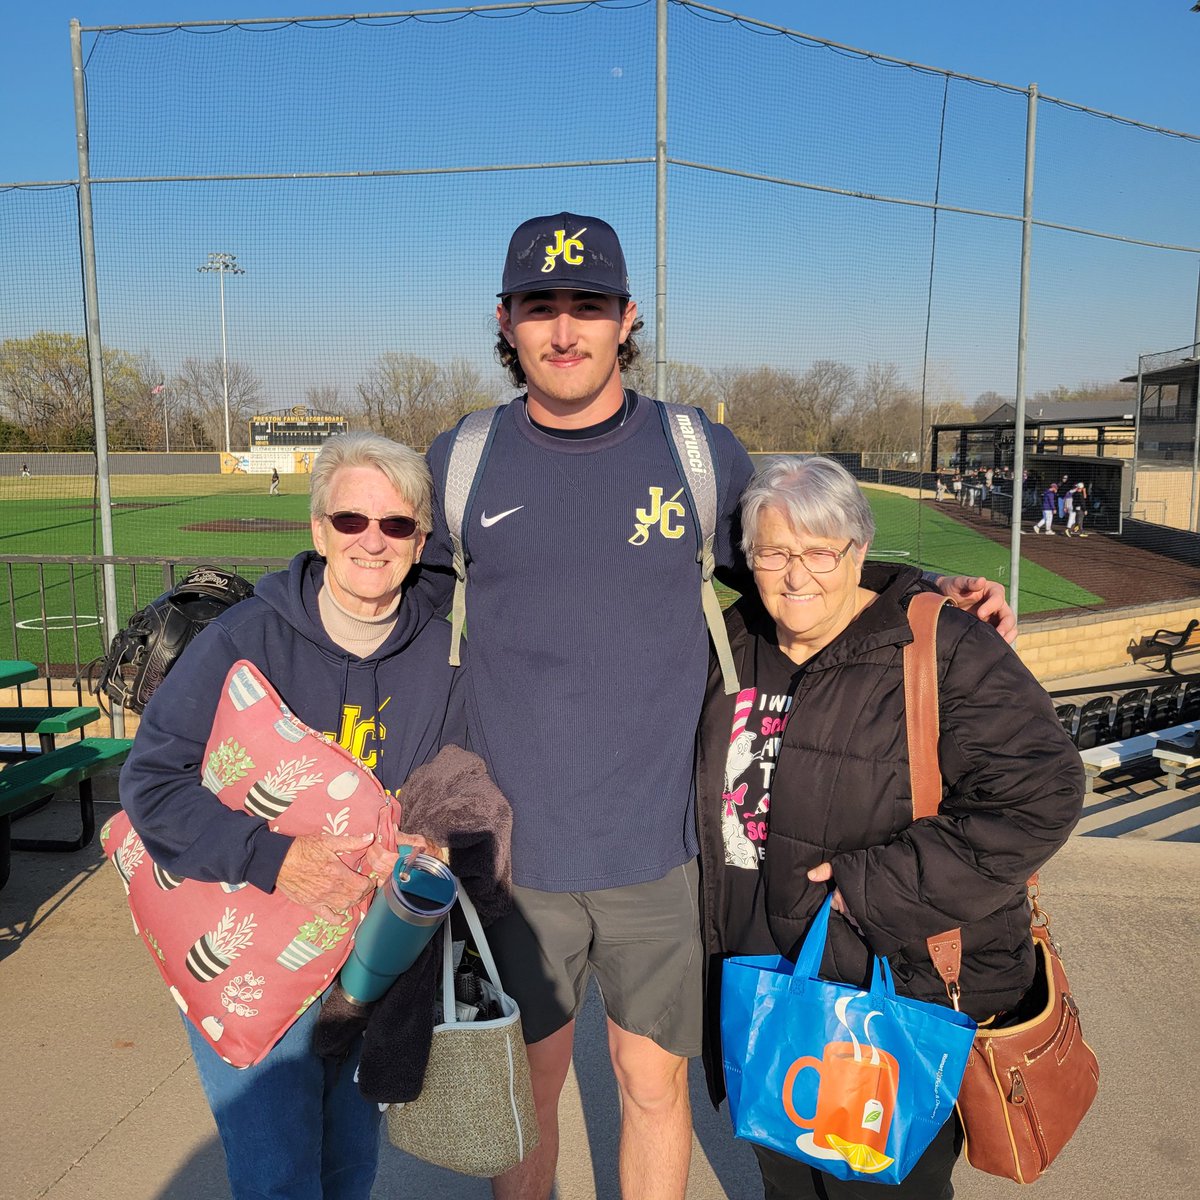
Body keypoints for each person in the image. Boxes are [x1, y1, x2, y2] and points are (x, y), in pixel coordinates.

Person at [419, 212, 1016, 1200]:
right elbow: (386, 606)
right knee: (525, 1099)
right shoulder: (463, 459)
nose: (564, 330)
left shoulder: (693, 453)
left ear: (626, 318)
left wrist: (925, 589)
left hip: (662, 858)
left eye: (588, 306)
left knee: (651, 1091)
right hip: (511, 868)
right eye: (540, 307)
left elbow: (803, 569)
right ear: (506, 320)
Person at [695, 455, 1084, 1200]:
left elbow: (1041, 793)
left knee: (874, 1187)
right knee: (785, 1176)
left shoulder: (942, 646)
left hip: (884, 992)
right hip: (762, 986)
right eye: (775, 552)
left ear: (859, 552)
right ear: (748, 560)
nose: (797, 573)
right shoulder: (733, 641)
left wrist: (870, 886)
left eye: (821, 551)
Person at [120, 432, 466, 1200]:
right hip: (255, 948)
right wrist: (275, 856)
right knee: (278, 1178)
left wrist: (432, 835)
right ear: (318, 530)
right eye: (350, 521)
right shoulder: (243, 638)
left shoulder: (443, 654)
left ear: (419, 541)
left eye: (396, 525)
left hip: (374, 957)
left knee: (349, 1170)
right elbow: (150, 782)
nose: (371, 542)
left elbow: (462, 782)